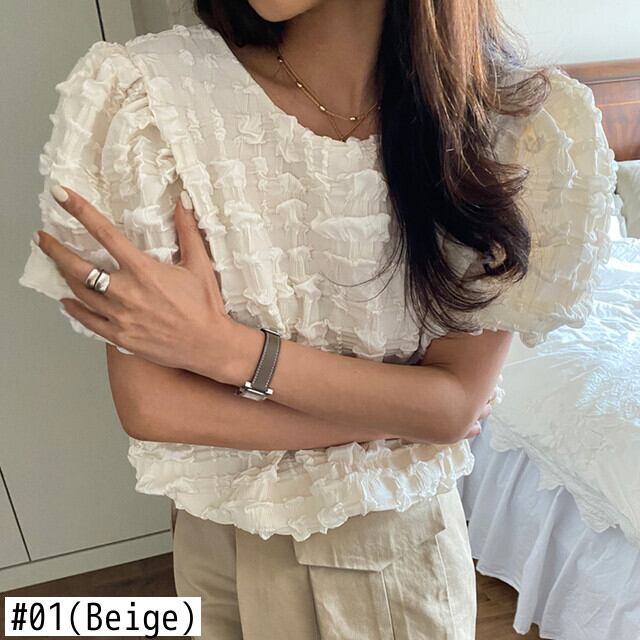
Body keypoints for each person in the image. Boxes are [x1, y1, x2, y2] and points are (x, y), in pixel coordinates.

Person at [18, 0, 616, 638]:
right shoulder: (149, 101)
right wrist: (399, 414)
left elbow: (453, 406)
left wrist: (226, 351)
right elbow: (153, 407)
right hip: (215, 546)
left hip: (395, 560)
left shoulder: (513, 124)